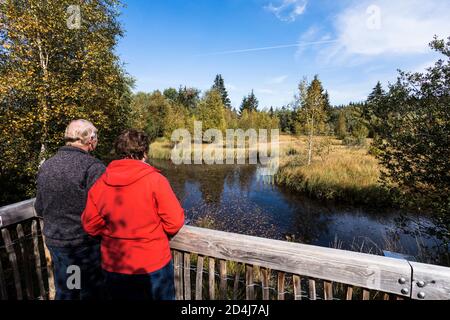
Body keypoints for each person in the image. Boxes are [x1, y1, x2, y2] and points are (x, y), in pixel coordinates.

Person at [82, 129, 185, 300]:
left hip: (114, 263)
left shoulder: (101, 183)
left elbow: (90, 225)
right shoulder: (155, 180)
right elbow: (174, 221)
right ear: (144, 153)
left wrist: (113, 234)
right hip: (152, 263)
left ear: (119, 152)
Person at [34, 119, 106, 300]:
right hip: (82, 246)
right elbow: (104, 212)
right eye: (96, 137)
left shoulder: (47, 165)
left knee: (68, 290)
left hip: (55, 241)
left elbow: (39, 208)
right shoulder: (93, 167)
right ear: (90, 139)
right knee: (88, 293)